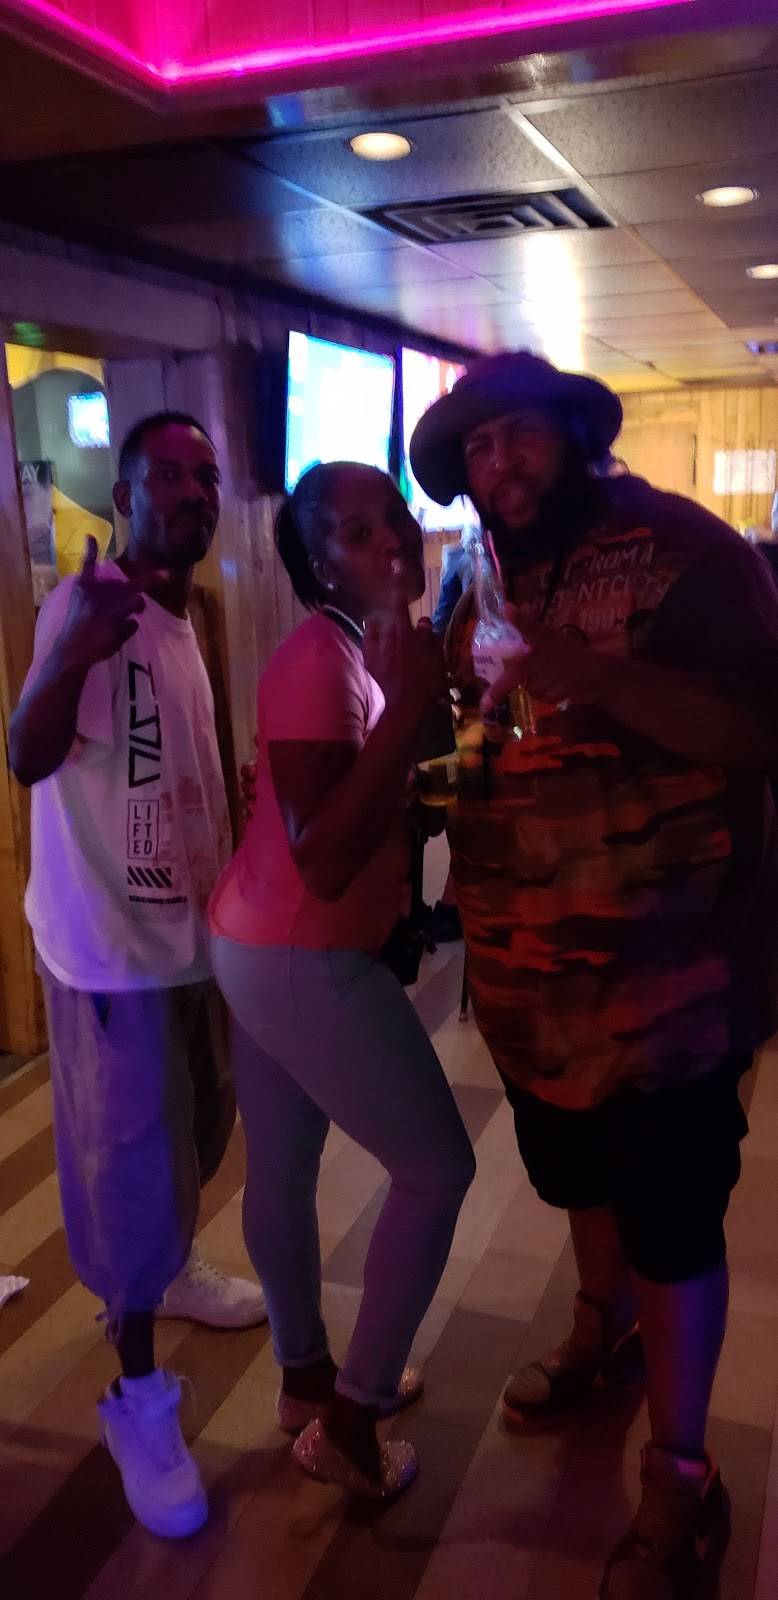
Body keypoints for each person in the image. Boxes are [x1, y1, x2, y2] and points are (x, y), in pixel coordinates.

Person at [410, 352, 778, 1600]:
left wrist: (608, 675)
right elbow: (479, 743)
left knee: (672, 1219)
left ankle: (680, 1472)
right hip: (529, 982)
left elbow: (759, 726)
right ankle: (599, 1323)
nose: (496, 464)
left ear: (573, 430)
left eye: (514, 434)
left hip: (666, 985)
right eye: (474, 451)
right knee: (577, 1176)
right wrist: (424, 776)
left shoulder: (687, 553)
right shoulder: (484, 579)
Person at [10, 412, 266, 1540]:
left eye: (206, 475)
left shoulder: (180, 614)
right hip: (111, 953)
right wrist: (72, 648)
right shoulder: (86, 606)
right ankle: (136, 1396)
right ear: (122, 495)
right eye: (167, 473)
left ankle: (169, 1269)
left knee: (199, 1129)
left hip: (189, 941)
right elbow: (25, 752)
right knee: (126, 1174)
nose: (193, 491)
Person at [209, 460, 475, 1501]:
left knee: (281, 1166)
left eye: (397, 518)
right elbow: (322, 855)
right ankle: (351, 1425)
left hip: (262, 941)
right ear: (319, 562)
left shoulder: (362, 649)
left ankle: (306, 1382)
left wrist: (424, 728)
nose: (395, 540)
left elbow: (371, 804)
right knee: (437, 1169)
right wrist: (409, 709)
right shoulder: (317, 660)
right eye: (361, 532)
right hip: (298, 952)